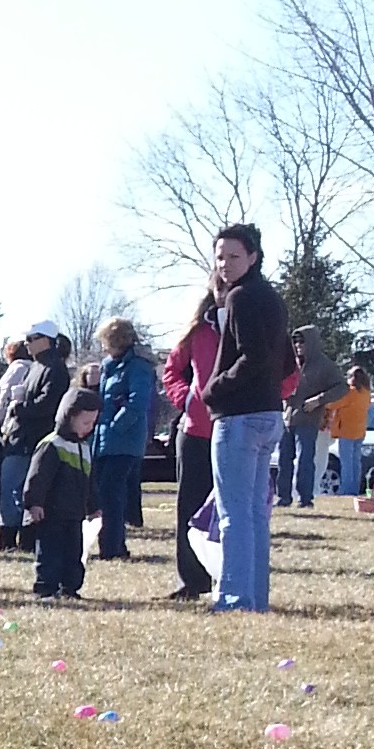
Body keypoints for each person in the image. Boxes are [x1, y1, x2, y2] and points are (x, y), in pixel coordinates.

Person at [200, 223, 293, 613]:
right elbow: (286, 362)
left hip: (239, 417)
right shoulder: (272, 298)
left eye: (234, 256)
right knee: (254, 513)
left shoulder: (240, 297)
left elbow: (253, 358)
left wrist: (213, 389)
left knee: (234, 514)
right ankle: (254, 597)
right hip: (269, 413)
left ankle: (235, 599)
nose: (225, 264)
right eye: (220, 257)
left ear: (253, 257)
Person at [160, 298, 221, 599]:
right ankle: (192, 580)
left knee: (233, 509)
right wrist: (188, 401)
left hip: (240, 430)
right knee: (191, 506)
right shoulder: (197, 332)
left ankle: (228, 578)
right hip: (196, 431)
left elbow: (286, 373)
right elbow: (171, 371)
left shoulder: (253, 323)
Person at [89, 317, 157, 560]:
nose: (102, 346)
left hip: (124, 441)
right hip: (103, 439)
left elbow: (138, 402)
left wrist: (116, 426)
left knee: (111, 494)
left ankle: (112, 548)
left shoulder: (138, 367)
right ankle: (111, 544)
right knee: (104, 493)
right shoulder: (108, 366)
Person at [22, 385, 99, 598]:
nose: (89, 427)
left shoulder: (84, 448)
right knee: (50, 552)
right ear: (69, 416)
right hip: (51, 514)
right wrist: (34, 503)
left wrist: (93, 506)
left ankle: (70, 588)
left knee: (74, 553)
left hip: (74, 514)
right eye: (85, 422)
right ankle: (46, 588)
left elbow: (89, 481)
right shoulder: (52, 445)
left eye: (93, 423)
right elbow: (38, 477)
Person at [0, 322, 67, 551]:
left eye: (31, 339)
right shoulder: (37, 366)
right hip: (21, 437)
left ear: (45, 340)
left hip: (33, 439)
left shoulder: (55, 369)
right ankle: (11, 536)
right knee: (15, 488)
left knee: (16, 487)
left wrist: (19, 408)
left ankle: (21, 537)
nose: (26, 344)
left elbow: (48, 405)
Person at [277, 321, 343, 508]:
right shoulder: (291, 362)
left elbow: (342, 387)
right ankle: (283, 497)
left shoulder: (324, 365)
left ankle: (305, 499)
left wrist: (319, 400)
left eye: (302, 342)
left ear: (311, 343)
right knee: (283, 459)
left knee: (305, 460)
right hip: (288, 418)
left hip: (308, 419)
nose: (298, 346)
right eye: (296, 342)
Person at [325, 361, 372, 498]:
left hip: (346, 431)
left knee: (346, 463)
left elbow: (333, 404)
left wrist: (323, 401)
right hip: (360, 431)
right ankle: (354, 489)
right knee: (356, 463)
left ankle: (346, 489)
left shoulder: (351, 392)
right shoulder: (366, 393)